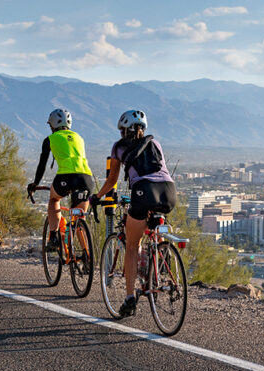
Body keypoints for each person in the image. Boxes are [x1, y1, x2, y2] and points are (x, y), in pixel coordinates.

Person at [92, 109, 176, 317]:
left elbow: (112, 180)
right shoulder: (155, 143)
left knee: (132, 245)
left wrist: (96, 197)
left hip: (143, 191)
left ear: (123, 130)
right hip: (169, 192)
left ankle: (130, 299)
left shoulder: (119, 147)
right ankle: (158, 266)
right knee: (154, 227)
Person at [28, 109, 94, 251]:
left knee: (54, 199)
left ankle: (53, 237)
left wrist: (35, 184)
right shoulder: (79, 137)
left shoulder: (50, 139)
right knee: (79, 219)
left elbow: (42, 164)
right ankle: (87, 257)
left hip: (66, 177)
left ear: (52, 125)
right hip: (86, 178)